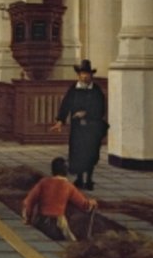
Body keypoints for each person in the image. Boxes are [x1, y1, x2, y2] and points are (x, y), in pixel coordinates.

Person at [50, 59, 108, 190]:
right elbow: (66, 105)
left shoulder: (96, 90)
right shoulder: (74, 89)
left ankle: (89, 180)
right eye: (82, 74)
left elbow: (101, 109)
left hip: (92, 128)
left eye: (87, 74)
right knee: (77, 153)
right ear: (78, 75)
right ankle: (80, 179)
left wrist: (86, 113)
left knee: (91, 153)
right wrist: (60, 121)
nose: (84, 76)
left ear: (91, 75)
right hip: (77, 128)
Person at [22, 156, 98, 241]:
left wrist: (28, 218)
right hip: (58, 222)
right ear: (66, 171)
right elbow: (84, 205)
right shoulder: (68, 186)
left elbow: (29, 201)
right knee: (72, 240)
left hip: (41, 220)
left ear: (52, 170)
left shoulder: (43, 182)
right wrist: (91, 203)